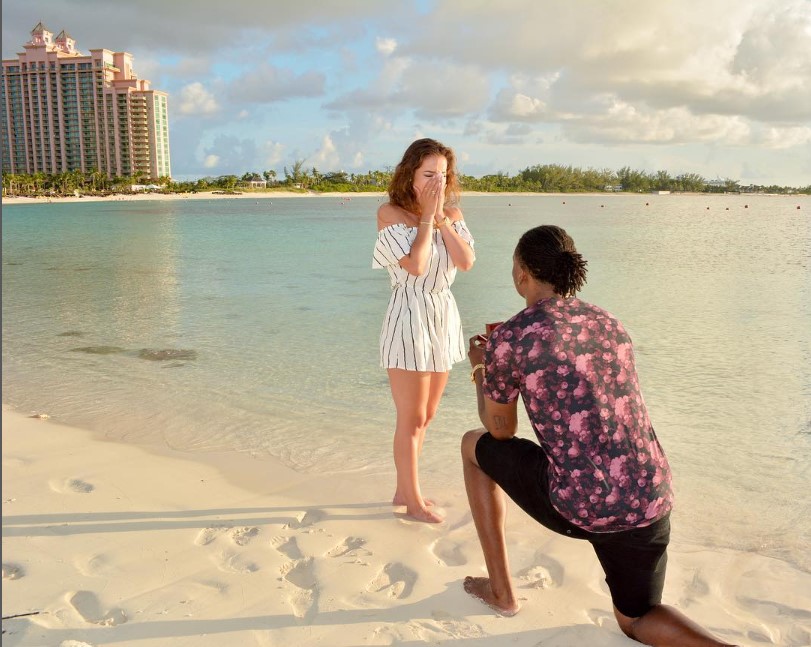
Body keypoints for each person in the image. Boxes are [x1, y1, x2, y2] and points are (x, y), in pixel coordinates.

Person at [462, 225, 737, 646]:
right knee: (636, 620)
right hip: (649, 495)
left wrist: (482, 368)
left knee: (472, 445)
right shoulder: (608, 320)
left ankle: (502, 593)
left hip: (581, 504)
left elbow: (501, 430)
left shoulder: (511, 338)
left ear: (521, 274)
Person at [373, 138, 475, 523]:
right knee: (411, 418)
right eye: (429, 174)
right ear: (410, 175)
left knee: (428, 415)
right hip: (409, 314)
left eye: (443, 175)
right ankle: (412, 501)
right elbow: (415, 265)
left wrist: (443, 218)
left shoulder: (453, 213)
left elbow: (465, 262)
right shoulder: (390, 214)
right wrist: (427, 218)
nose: (437, 182)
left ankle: (404, 489)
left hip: (443, 313)